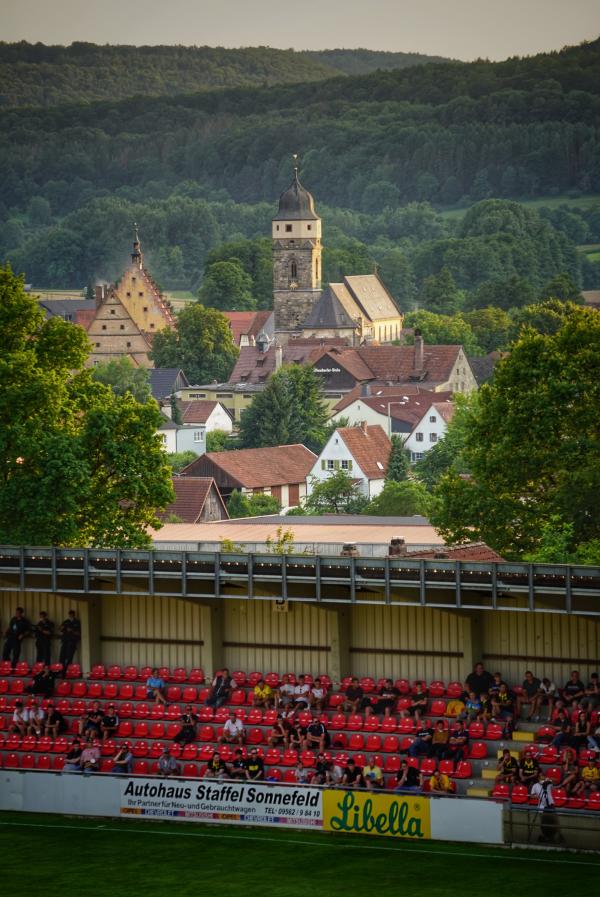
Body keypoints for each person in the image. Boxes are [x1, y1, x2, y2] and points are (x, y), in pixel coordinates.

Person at [531, 773, 561, 843]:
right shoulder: (535, 786)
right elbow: (532, 795)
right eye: (541, 777)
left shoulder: (548, 784)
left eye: (543, 777)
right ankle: (545, 836)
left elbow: (556, 780)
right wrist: (538, 797)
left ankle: (555, 837)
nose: (542, 778)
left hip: (550, 804)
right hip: (541, 806)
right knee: (543, 822)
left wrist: (548, 778)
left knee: (554, 821)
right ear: (538, 778)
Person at [58, 610, 80, 675]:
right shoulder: (66, 622)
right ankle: (62, 670)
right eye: (70, 614)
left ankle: (67, 670)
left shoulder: (77, 622)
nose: (71, 615)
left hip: (72, 641)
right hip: (65, 641)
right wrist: (62, 627)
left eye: (72, 614)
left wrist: (71, 630)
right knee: (62, 656)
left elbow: (78, 633)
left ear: (74, 615)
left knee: (69, 657)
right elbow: (60, 629)